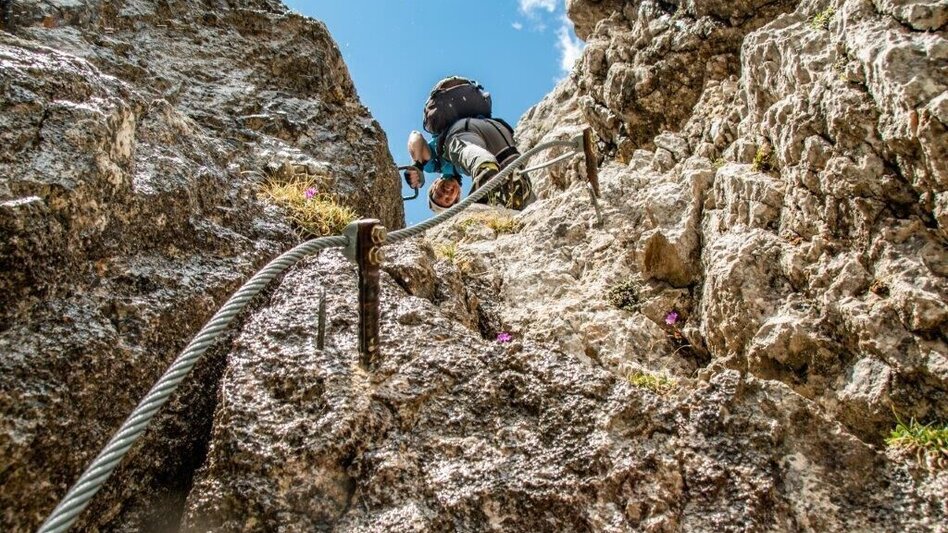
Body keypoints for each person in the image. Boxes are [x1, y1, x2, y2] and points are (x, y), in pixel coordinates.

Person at [404, 94, 535, 213]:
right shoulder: (462, 169)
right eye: (448, 200)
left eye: (438, 195)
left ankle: (484, 167)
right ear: (458, 196)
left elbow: (415, 136)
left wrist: (417, 165)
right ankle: (529, 204)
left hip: (463, 130)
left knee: (460, 150)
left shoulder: (435, 164)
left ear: (434, 186)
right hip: (496, 131)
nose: (445, 194)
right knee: (516, 185)